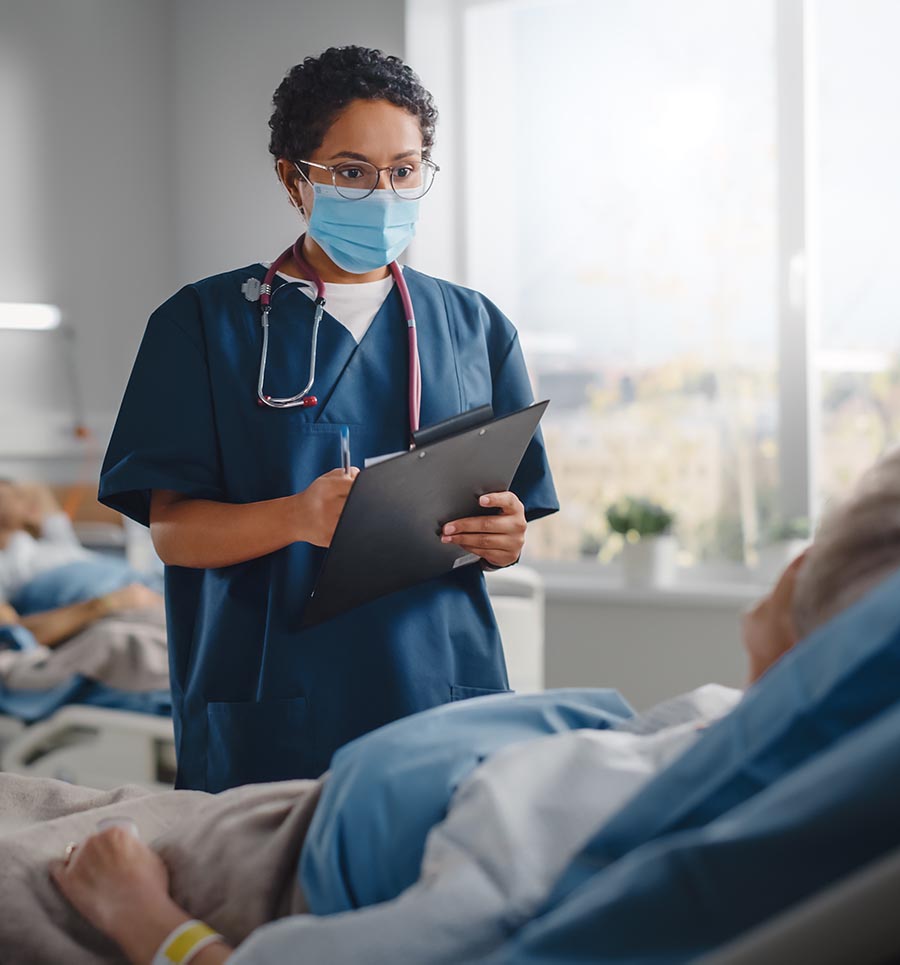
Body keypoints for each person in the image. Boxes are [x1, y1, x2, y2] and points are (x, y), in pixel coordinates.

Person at [26, 445, 900, 965]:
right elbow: (172, 527)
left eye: (407, 168)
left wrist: (152, 923)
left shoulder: (606, 832)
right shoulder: (726, 739)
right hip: (280, 818)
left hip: (264, 879)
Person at [98, 46, 558, 792]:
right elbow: (174, 533)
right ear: (293, 177)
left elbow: (508, 521)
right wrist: (297, 516)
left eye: (404, 170)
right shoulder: (202, 326)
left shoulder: (476, 327)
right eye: (351, 171)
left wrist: (504, 539)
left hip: (438, 694)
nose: (383, 193)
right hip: (275, 709)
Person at [0, 480, 163, 644]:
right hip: (122, 602)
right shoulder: (6, 564)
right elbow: (13, 632)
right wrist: (104, 604)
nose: (18, 497)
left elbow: (39, 491)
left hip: (146, 584)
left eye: (18, 495)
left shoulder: (55, 542)